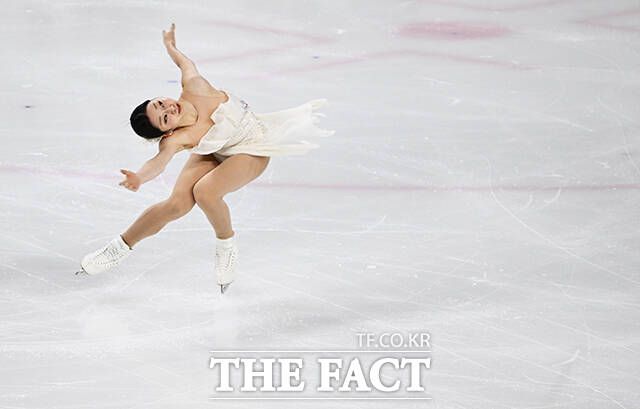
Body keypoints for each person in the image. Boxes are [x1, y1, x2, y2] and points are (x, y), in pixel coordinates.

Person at [78, 24, 333, 293]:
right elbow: (160, 161)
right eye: (165, 118)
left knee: (205, 192)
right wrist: (140, 177)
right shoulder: (176, 139)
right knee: (176, 205)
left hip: (253, 147)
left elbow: (184, 63)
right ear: (168, 131)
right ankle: (119, 248)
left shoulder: (194, 87)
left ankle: (226, 245)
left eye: (160, 103)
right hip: (218, 149)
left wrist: (170, 46)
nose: (169, 109)